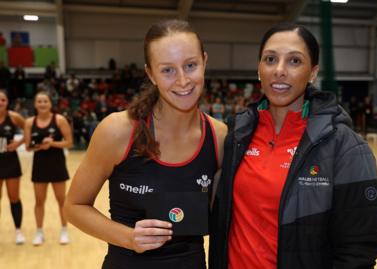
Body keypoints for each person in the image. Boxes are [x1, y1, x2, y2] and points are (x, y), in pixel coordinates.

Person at [209, 23, 377, 269]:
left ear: (313, 73)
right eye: (270, 59)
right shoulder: (236, 135)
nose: (279, 70)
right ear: (259, 69)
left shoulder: (346, 147)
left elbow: (359, 249)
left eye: (294, 61)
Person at [63, 20, 227, 269]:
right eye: (168, 70)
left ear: (204, 61)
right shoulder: (118, 131)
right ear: (150, 73)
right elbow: (74, 207)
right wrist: (129, 238)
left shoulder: (219, 137)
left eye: (191, 65)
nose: (183, 80)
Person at [24, 91, 73, 246]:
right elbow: (28, 147)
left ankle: (64, 230)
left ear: (50, 103)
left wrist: (52, 144)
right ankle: (39, 232)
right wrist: (40, 146)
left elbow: (69, 143)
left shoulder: (59, 120)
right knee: (39, 200)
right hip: (39, 166)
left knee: (61, 200)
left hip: (57, 164)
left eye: (45, 101)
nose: (42, 104)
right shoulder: (29, 122)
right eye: (39, 101)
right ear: (35, 104)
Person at [0, 89, 26, 244]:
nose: (0, 103)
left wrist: (19, 143)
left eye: (2, 100)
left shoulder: (14, 117)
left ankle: (18, 231)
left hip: (10, 162)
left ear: (7, 102)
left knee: (14, 197)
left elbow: (28, 129)